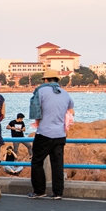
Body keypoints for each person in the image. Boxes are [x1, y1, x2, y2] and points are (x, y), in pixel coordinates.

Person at [28, 69, 74, 200]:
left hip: (44, 133)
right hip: (60, 134)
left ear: (46, 80)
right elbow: (71, 112)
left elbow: (36, 111)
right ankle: (58, 192)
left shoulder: (40, 91)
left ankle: (39, 190)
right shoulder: (65, 94)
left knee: (37, 161)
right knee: (57, 164)